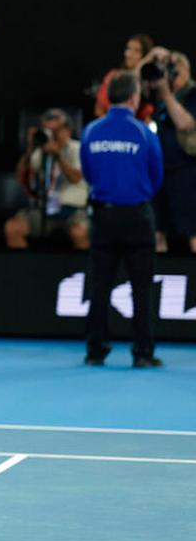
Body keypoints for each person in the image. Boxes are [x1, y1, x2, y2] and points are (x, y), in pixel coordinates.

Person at [79, 72, 164, 369]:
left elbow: (88, 172)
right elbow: (157, 177)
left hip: (104, 214)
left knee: (100, 284)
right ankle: (142, 352)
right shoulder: (144, 133)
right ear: (133, 98)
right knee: (141, 287)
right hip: (137, 216)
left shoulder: (91, 131)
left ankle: (95, 350)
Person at [4, 109, 89, 250]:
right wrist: (30, 149)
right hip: (44, 209)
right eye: (46, 131)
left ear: (67, 130)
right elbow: (21, 176)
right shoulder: (40, 152)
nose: (51, 136)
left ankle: (83, 271)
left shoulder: (79, 149)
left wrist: (58, 156)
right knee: (13, 228)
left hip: (73, 210)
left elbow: (75, 178)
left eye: (54, 131)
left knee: (79, 232)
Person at [147, 51, 196, 254]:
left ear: (187, 70)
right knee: (157, 229)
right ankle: (157, 278)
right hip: (160, 170)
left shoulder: (192, 94)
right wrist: (150, 57)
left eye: (177, 67)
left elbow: (185, 124)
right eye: (170, 68)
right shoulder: (158, 94)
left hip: (186, 169)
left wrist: (167, 94)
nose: (174, 72)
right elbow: (130, 84)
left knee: (192, 229)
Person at [94, 34, 154, 119]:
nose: (129, 54)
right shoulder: (114, 77)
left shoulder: (152, 82)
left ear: (145, 56)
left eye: (136, 51)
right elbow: (99, 110)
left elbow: (148, 117)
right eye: (128, 49)